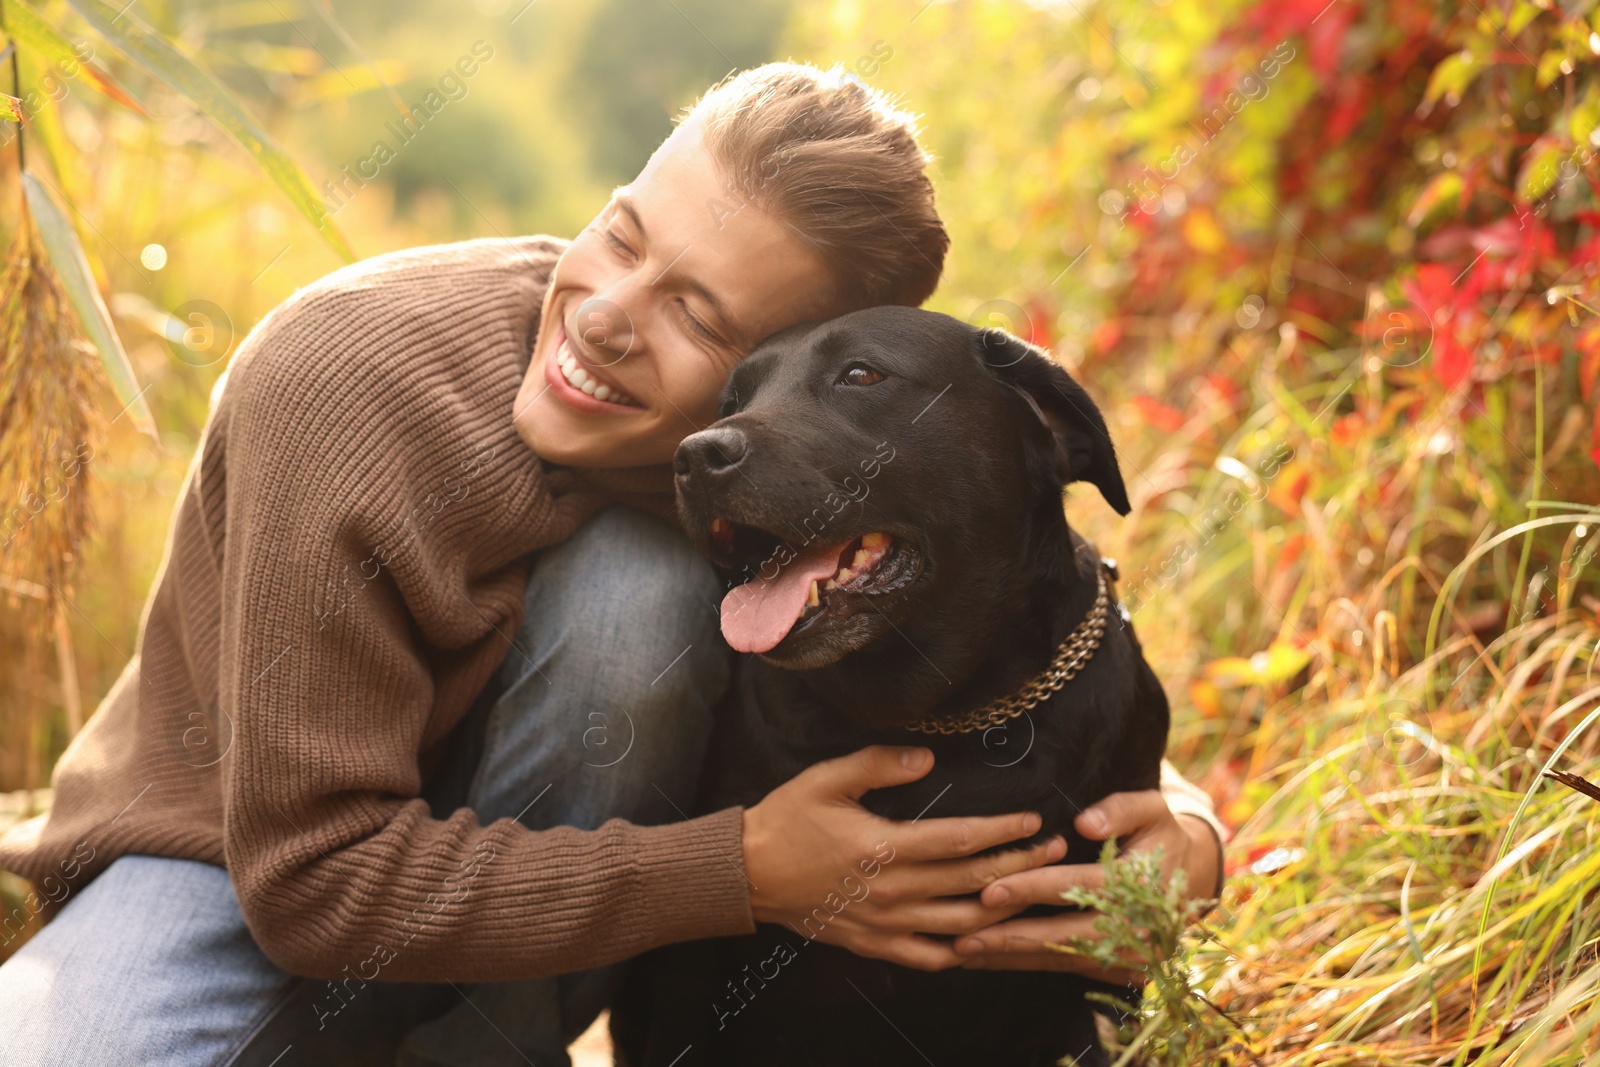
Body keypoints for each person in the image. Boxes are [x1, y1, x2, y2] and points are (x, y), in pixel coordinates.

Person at [0, 63, 1225, 1066]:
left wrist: (1184, 825)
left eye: (699, 316)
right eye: (621, 232)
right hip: (235, 861)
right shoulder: (348, 384)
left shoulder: (767, 470)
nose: (600, 314)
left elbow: (1004, 616)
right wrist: (743, 870)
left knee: (637, 590)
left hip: (527, 918)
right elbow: (310, 886)